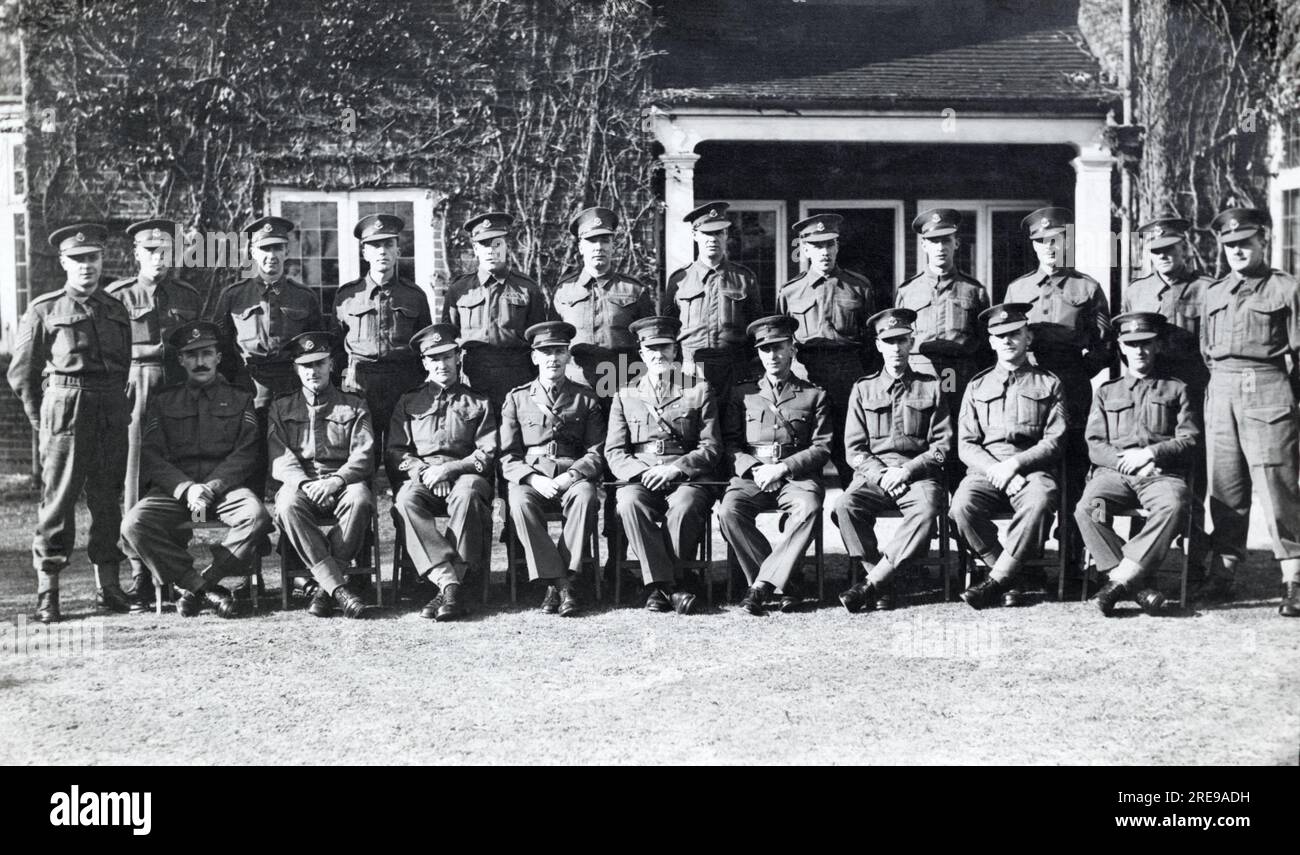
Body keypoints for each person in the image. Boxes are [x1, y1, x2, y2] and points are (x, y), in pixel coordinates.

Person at [8, 223, 133, 623]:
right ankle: (49, 592)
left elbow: (124, 363)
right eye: (77, 259)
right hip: (65, 409)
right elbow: (22, 374)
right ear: (64, 262)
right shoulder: (45, 309)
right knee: (58, 502)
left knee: (106, 498)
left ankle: (108, 586)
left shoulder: (116, 309)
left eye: (92, 258)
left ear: (102, 260)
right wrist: (42, 420)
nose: (86, 267)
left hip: (110, 409)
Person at [120, 322, 273, 618]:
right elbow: (151, 455)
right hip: (178, 493)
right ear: (180, 360)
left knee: (257, 517)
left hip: (226, 490)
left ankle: (202, 583)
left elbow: (247, 453)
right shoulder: (164, 401)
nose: (200, 362)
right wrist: (186, 488)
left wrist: (212, 487)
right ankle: (203, 589)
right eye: (191, 355)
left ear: (218, 357)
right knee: (134, 525)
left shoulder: (241, 398)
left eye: (206, 353)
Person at [1197, 207, 1300, 616]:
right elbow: (1207, 351)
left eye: (1244, 243)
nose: (1237, 251)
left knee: (1278, 485)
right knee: (1224, 487)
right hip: (1221, 388)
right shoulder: (1214, 292)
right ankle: (1223, 573)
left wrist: (1289, 400)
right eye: (1229, 246)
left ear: (1263, 242)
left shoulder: (1286, 289)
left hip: (1268, 387)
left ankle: (1293, 577)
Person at [1003, 207, 1114, 579]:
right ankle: (1028, 561)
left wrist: (1081, 370)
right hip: (1029, 387)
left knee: (1072, 469)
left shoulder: (1088, 287)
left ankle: (1070, 559)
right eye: (1041, 242)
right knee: (1032, 464)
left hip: (1072, 385)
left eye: (1056, 240)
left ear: (1066, 242)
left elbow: (1104, 345)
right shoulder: (1018, 289)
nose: (1049, 247)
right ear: (1033, 246)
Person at [107, 218, 204, 610]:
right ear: (136, 255)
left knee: (178, 470)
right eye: (150, 251)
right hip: (139, 386)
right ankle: (139, 573)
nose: (158, 257)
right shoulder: (119, 296)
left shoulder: (188, 295)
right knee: (135, 475)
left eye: (165, 250)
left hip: (179, 386)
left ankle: (174, 567)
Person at [1076, 313, 1199, 617]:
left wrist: (1151, 455)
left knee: (1173, 505)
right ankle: (1136, 583)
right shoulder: (1107, 391)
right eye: (1132, 344)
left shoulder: (1177, 389)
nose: (1139, 351)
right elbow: (1095, 443)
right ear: (1122, 348)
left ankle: (1117, 581)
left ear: (1157, 346)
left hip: (1160, 474)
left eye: (1146, 343)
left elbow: (1190, 438)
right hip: (1116, 475)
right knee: (1088, 508)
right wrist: (1125, 462)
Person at [835, 308, 953, 613]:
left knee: (927, 510)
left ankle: (871, 584)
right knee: (845, 506)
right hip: (875, 475)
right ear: (878, 345)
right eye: (889, 341)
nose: (896, 348)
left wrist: (906, 471)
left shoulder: (931, 386)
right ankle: (880, 578)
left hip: (918, 474)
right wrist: (881, 474)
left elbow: (941, 446)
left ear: (911, 341)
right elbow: (854, 448)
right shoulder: (863, 389)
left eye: (902, 340)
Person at [952, 303, 1067, 610]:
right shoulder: (977, 385)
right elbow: (966, 444)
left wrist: (1015, 465)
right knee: (961, 507)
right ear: (990, 341)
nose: (1007, 341)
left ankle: (997, 579)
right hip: (986, 469)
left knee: (1042, 499)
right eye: (999, 335)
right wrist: (996, 469)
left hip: (1031, 467)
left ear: (1028, 337)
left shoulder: (1049, 383)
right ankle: (1006, 575)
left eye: (1014, 333)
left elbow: (1055, 440)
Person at [605, 316, 721, 615]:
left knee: (686, 503)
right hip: (642, 475)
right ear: (641, 354)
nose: (658, 355)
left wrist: (676, 469)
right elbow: (615, 451)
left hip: (684, 476)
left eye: (665, 348)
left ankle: (658, 588)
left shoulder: (698, 390)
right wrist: (642, 474)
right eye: (651, 349)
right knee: (628, 503)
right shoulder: (625, 394)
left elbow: (711, 447)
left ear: (675, 351)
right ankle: (672, 585)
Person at [718, 315, 833, 616]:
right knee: (730, 510)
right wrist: (754, 468)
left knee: (808, 507)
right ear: (758, 353)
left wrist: (782, 469)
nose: (773, 355)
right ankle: (787, 583)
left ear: (792, 349)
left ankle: (760, 587)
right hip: (753, 475)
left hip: (795, 476)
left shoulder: (813, 394)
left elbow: (822, 447)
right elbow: (729, 443)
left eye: (779, 347)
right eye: (765, 349)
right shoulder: (743, 394)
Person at [388, 323, 498, 621]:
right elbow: (397, 451)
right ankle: (450, 583)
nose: (442, 364)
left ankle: (447, 587)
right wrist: (425, 472)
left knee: (469, 493)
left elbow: (487, 452)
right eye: (434, 359)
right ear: (424, 362)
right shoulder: (409, 401)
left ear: (458, 358)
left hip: (465, 476)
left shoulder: (479, 401)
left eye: (447, 357)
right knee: (405, 500)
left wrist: (449, 469)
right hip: (424, 479)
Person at [499, 321, 605, 616]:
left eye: (558, 351)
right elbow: (507, 455)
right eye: (545, 352)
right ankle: (562, 584)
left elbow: (597, 452)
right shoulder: (517, 398)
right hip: (532, 476)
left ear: (568, 355)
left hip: (572, 475)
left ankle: (558, 582)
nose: (552, 358)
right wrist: (532, 478)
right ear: (534, 357)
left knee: (585, 496)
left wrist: (571, 475)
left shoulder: (586, 397)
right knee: (518, 501)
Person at [268, 331, 375, 620]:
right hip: (300, 483)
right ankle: (338, 590)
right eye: (306, 366)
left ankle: (320, 586)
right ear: (296, 369)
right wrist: (304, 482)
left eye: (319, 363)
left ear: (331, 364)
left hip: (342, 482)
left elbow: (364, 454)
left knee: (361, 498)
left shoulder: (354, 404)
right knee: (287, 504)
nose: (313, 371)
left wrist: (336, 480)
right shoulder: (281, 406)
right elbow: (279, 456)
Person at [212, 215, 323, 489]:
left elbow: (317, 346)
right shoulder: (234, 296)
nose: (271, 256)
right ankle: (255, 529)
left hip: (293, 388)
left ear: (287, 251)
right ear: (252, 252)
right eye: (264, 249)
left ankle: (290, 528)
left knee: (295, 460)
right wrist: (235, 385)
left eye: (277, 248)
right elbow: (220, 346)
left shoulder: (304, 297)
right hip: (250, 388)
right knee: (251, 462)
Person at [777, 213, 875, 486]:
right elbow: (781, 340)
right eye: (817, 246)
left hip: (848, 376)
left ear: (837, 246)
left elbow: (871, 344)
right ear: (805, 249)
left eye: (830, 245)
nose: (825, 252)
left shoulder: (859, 287)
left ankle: (851, 513)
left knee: (850, 449)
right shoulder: (790, 292)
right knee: (806, 449)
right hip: (808, 378)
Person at [333, 213, 432, 483]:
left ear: (398, 251)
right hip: (360, 386)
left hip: (403, 385)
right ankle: (363, 524)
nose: (382, 252)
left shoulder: (414, 295)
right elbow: (337, 350)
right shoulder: (346, 296)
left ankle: (404, 522)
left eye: (389, 245)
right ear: (365, 253)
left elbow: (426, 347)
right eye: (375, 246)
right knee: (362, 460)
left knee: (403, 458)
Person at [441, 211, 546, 413]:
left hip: (517, 376)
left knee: (513, 439)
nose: (491, 250)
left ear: (507, 246)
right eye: (484, 244)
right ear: (475, 249)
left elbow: (538, 340)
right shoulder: (459, 290)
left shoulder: (527, 288)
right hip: (474, 377)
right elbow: (449, 338)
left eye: (497, 243)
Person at [661, 202, 764, 401]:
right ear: (695, 235)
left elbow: (756, 329)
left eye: (719, 233)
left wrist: (753, 370)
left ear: (726, 236)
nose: (713, 239)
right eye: (707, 233)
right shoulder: (679, 280)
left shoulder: (745, 278)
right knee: (692, 427)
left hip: (734, 369)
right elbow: (668, 329)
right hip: (691, 369)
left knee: (734, 428)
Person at [550, 206, 655, 400]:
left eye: (604, 240)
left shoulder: (634, 290)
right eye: (591, 240)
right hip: (577, 385)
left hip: (624, 383)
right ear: (581, 247)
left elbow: (650, 341)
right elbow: (551, 342)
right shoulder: (564, 291)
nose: (598, 247)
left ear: (613, 246)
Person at [894, 207, 991, 403]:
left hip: (955, 370)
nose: (940, 247)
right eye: (933, 241)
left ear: (956, 243)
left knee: (953, 419)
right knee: (919, 423)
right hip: (919, 369)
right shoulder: (908, 291)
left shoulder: (973, 290)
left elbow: (985, 345)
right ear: (924, 245)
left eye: (946, 240)